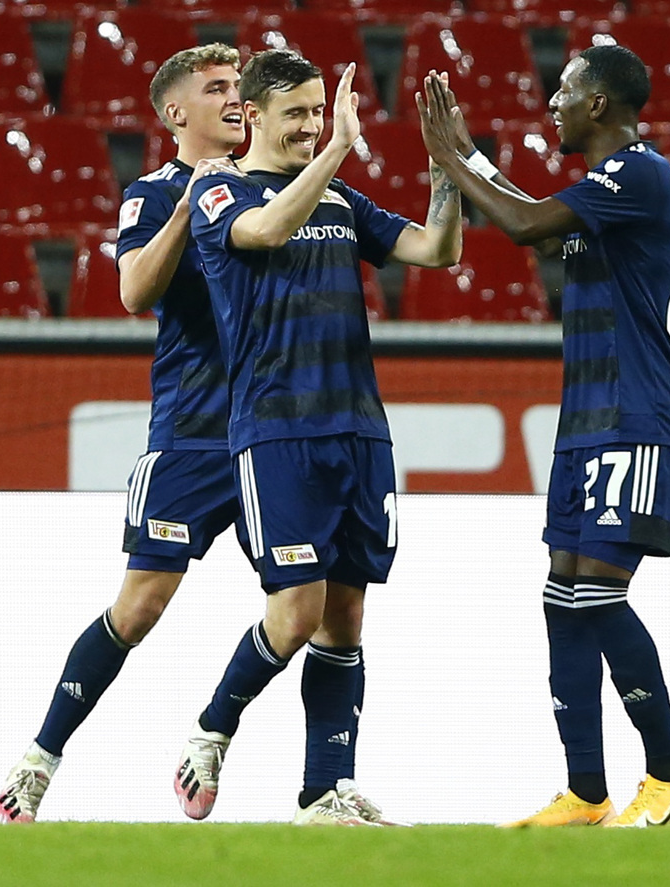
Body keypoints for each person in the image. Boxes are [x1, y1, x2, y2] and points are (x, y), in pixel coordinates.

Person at [417, 44, 670, 827]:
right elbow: (546, 232)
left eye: (566, 90)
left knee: (599, 591)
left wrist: (453, 159)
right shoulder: (601, 192)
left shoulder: (640, 173)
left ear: (601, 104)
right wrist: (472, 157)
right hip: (587, 421)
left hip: (637, 415)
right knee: (563, 597)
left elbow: (523, 224)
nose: (554, 102)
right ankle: (586, 790)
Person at [185, 49, 462, 826]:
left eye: (319, 112)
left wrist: (446, 169)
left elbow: (437, 250)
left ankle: (325, 790)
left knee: (346, 617)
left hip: (359, 430)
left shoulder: (340, 199)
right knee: (295, 613)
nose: (312, 125)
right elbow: (266, 230)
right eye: (298, 113)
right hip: (277, 431)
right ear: (252, 115)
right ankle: (212, 730)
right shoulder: (219, 190)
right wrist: (339, 146)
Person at [0, 43, 250, 824]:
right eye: (217, 87)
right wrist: (191, 206)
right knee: (138, 607)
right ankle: (39, 758)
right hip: (192, 435)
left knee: (314, 605)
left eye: (239, 86)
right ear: (175, 112)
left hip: (276, 431)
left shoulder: (273, 188)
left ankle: (217, 735)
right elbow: (135, 290)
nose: (235, 98)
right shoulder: (153, 193)